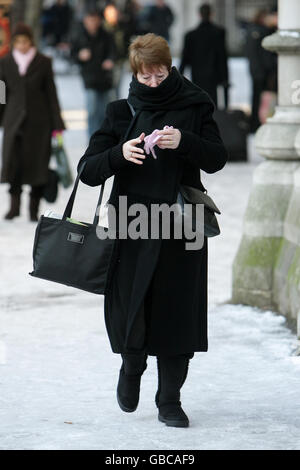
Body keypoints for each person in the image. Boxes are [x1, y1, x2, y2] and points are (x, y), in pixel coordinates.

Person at [77, 33, 227, 428]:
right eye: (148, 78)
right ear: (135, 73)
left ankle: (170, 401)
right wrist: (119, 153)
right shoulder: (120, 112)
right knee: (133, 306)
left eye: (161, 75)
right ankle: (131, 366)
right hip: (133, 223)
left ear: (169, 66)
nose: (155, 84)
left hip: (182, 224)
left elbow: (217, 159)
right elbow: (87, 171)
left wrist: (186, 141)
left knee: (178, 311)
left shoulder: (196, 103)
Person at [0, 23, 65, 221]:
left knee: (38, 166)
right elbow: (1, 92)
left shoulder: (43, 61)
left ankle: (33, 210)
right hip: (13, 120)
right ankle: (14, 207)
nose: (22, 45)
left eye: (25, 41)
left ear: (31, 41)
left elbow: (51, 93)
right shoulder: (5, 61)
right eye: (18, 42)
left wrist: (57, 124)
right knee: (14, 164)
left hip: (40, 122)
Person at [71, 8, 115, 139]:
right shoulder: (80, 36)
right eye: (90, 20)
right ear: (85, 21)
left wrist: (110, 60)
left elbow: (114, 51)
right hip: (89, 79)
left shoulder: (106, 35)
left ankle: (105, 137)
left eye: (95, 20)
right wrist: (80, 56)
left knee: (105, 111)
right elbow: (72, 54)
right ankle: (93, 138)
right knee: (92, 110)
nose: (92, 23)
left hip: (105, 79)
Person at [179, 3, 228, 108]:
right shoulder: (219, 33)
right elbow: (222, 57)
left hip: (197, 75)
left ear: (199, 15)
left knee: (199, 104)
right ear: (211, 14)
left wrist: (178, 76)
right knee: (212, 105)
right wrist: (225, 78)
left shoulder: (190, 35)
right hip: (213, 75)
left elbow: (185, 58)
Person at [245, 8, 278, 132]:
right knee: (263, 99)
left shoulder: (252, 30)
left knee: (256, 98)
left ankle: (255, 124)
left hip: (255, 71)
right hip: (263, 73)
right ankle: (259, 123)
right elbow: (266, 56)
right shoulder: (263, 31)